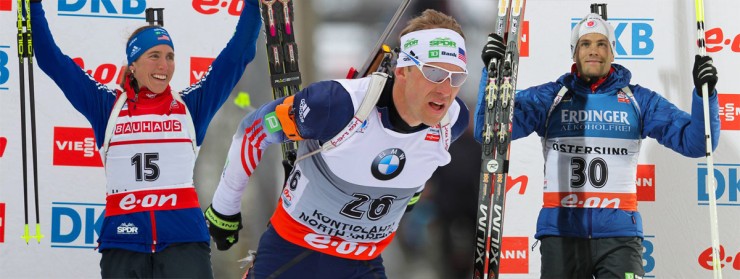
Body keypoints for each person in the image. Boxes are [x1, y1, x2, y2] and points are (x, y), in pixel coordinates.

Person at [204, 9, 470, 278]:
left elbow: (421, 159)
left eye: (457, 77)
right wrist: (224, 208)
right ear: (403, 70)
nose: (445, 90)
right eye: (434, 73)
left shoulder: (451, 120)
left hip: (363, 264)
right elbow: (253, 129)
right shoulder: (336, 105)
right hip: (293, 256)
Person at [27, 0, 262, 277]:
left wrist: (254, 5)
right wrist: (33, 7)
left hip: (184, 243)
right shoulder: (106, 107)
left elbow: (238, 54)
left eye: (170, 56)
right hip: (124, 243)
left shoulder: (191, 106)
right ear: (134, 64)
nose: (164, 64)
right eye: (154, 55)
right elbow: (51, 60)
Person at [475, 13, 720, 278]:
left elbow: (696, 143)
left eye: (602, 44)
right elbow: (489, 132)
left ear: (612, 52)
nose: (594, 51)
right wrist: (491, 75)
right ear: (574, 52)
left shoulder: (638, 100)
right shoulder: (550, 98)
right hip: (562, 234)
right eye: (586, 44)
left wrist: (705, 95)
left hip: (620, 239)